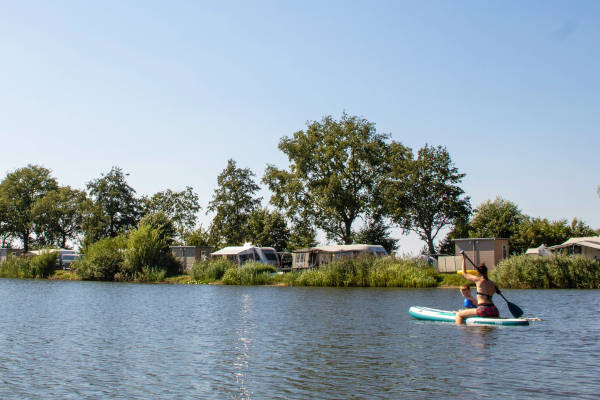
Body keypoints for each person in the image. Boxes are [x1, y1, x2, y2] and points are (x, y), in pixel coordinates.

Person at [456, 253, 499, 325]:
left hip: (483, 310)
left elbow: (464, 273)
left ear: (478, 272)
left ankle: (462, 332)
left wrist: (464, 259)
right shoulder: (492, 283)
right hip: (494, 310)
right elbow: (497, 291)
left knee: (459, 314)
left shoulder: (478, 280)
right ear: (486, 272)